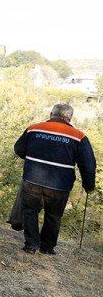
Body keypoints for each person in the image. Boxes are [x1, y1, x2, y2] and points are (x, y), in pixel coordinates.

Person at [14, 103, 96, 255]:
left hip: (32, 179)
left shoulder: (34, 128)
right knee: (53, 216)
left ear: (51, 114)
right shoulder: (79, 136)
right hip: (60, 184)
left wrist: (33, 159)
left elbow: (18, 149)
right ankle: (47, 248)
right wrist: (89, 186)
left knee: (30, 211)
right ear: (69, 118)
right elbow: (88, 165)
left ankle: (31, 245)